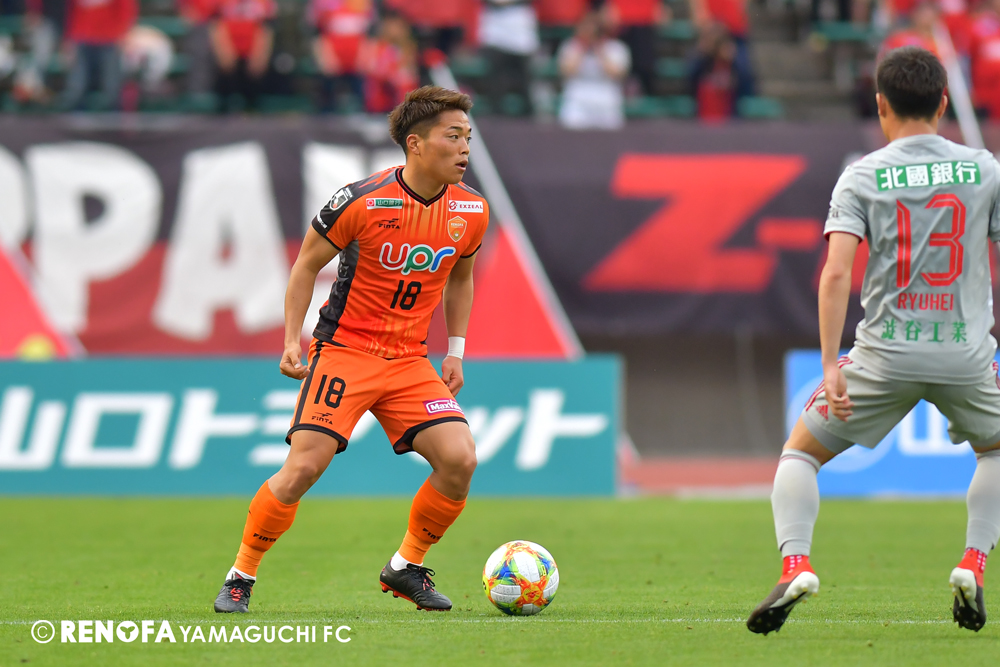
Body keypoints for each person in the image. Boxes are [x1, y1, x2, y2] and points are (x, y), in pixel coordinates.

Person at [747, 46, 1000, 635]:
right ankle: (973, 562)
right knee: (995, 452)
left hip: (885, 354)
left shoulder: (862, 175)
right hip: (964, 352)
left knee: (800, 454)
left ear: (881, 105)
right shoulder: (985, 169)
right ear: (943, 102)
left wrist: (829, 363)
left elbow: (836, 273)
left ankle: (796, 565)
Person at [213, 86, 489, 614]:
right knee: (303, 469)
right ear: (415, 143)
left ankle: (406, 566)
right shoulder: (362, 200)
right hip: (345, 351)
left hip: (410, 360)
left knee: (460, 459)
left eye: (468, 138)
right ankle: (240, 575)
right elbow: (305, 265)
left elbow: (461, 278)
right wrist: (291, 340)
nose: (464, 149)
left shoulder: (471, 209)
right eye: (453, 136)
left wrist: (455, 350)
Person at [557, 12, 631, 130]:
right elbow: (567, 71)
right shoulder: (570, 46)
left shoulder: (616, 48)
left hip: (607, 101)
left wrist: (599, 50)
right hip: (577, 100)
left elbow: (616, 73)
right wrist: (582, 48)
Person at [61, 0, 136, 110]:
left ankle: (114, 113)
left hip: (110, 38)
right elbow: (71, 12)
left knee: (111, 83)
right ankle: (74, 111)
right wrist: (69, 37)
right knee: (77, 83)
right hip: (82, 38)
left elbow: (126, 9)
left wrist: (123, 33)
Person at [211, 0, 275, 112]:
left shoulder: (263, 3)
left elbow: (266, 30)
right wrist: (224, 52)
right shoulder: (222, 2)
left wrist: (259, 56)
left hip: (252, 56)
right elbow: (216, 26)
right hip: (229, 55)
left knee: (256, 96)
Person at [310, 0, 374, 112]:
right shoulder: (323, 3)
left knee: (363, 101)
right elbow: (317, 33)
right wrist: (325, 57)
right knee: (328, 104)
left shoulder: (364, 3)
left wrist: (365, 57)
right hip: (331, 62)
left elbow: (370, 33)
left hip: (358, 63)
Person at [357, 12, 418, 113]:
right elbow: (366, 67)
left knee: (405, 81)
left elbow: (409, 72)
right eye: (393, 26)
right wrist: (389, 75)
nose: (396, 30)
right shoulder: (375, 45)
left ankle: (407, 112)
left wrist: (396, 76)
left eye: (399, 26)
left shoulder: (407, 47)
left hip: (397, 87)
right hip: (379, 86)